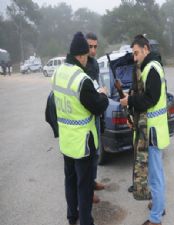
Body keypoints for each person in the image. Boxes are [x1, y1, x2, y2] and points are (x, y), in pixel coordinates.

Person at [51, 31, 108, 225]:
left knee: (70, 181)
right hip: (83, 144)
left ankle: (72, 217)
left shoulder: (57, 73)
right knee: (84, 187)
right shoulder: (81, 80)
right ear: (82, 55)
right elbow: (98, 106)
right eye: (86, 55)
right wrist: (103, 94)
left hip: (66, 142)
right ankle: (85, 221)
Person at [120, 34, 170, 225]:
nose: (135, 58)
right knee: (156, 173)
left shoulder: (152, 68)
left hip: (153, 133)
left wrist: (129, 101)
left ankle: (156, 217)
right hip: (152, 130)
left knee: (156, 176)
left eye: (137, 53)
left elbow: (151, 99)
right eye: (133, 54)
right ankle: (159, 204)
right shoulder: (150, 66)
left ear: (146, 49)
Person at [85, 32, 106, 204]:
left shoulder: (95, 64)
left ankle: (92, 182)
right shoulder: (82, 65)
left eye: (95, 47)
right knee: (90, 153)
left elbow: (95, 85)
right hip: (85, 117)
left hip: (96, 113)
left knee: (96, 150)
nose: (92, 50)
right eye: (89, 46)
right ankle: (88, 190)